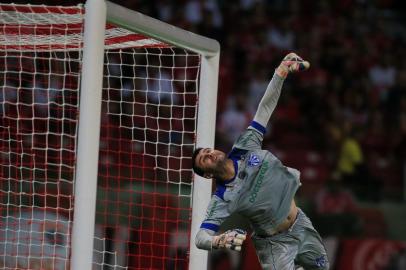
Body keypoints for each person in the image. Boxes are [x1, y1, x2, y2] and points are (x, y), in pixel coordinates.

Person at [192, 53, 329, 270]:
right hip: (274, 244)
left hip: (300, 223)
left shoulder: (244, 146)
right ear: (208, 174)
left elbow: (264, 109)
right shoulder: (222, 198)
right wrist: (218, 240)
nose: (210, 154)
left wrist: (280, 74)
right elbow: (200, 238)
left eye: (208, 150)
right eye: (204, 159)